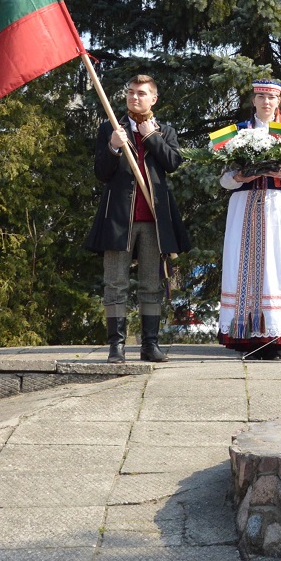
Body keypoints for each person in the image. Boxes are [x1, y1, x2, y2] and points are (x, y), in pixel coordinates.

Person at [88, 74, 190, 363]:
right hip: (119, 219)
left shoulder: (164, 130)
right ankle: (116, 346)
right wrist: (113, 146)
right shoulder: (111, 127)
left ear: (153, 98)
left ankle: (150, 345)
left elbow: (172, 163)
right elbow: (101, 172)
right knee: (115, 283)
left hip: (154, 221)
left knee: (150, 284)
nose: (135, 97)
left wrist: (151, 137)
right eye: (131, 92)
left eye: (142, 93)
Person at [216, 80, 281, 359]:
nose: (266, 102)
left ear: (278, 102)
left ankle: (276, 335)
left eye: (271, 98)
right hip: (244, 204)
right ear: (253, 100)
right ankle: (244, 335)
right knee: (242, 264)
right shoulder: (236, 133)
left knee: (276, 264)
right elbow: (224, 179)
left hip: (277, 206)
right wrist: (238, 177)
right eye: (261, 97)